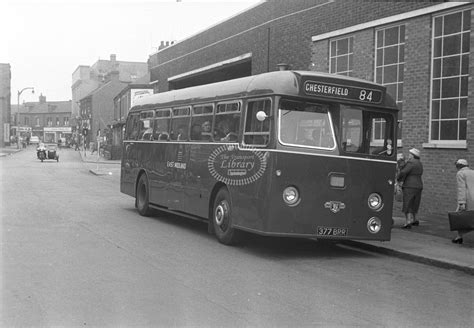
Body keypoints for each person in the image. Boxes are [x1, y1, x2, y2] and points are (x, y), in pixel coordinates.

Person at [396, 148, 423, 229]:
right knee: (415, 203)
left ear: (412, 155)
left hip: (409, 185)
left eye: (410, 154)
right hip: (419, 185)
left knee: (407, 203)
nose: (409, 155)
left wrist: (399, 178)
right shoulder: (419, 163)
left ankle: (408, 222)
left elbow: (404, 172)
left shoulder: (411, 162)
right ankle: (415, 219)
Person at [452, 159, 474, 244]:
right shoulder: (473, 172)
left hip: (468, 199)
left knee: (461, 218)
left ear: (459, 166)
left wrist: (461, 202)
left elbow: (461, 188)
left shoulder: (460, 173)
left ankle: (459, 237)